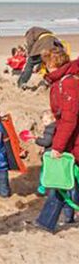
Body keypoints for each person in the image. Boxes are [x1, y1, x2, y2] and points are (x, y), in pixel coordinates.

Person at [35, 48, 79, 232]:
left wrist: (58, 146)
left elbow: (69, 119)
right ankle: (46, 221)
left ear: (54, 65)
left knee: (62, 181)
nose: (46, 69)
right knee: (64, 181)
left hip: (72, 140)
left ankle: (47, 222)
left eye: (47, 64)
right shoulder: (62, 81)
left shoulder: (67, 84)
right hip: (69, 139)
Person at [34, 110, 56, 196]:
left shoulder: (49, 129)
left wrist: (37, 140)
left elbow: (47, 142)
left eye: (46, 121)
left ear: (53, 119)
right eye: (43, 122)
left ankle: (41, 189)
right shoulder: (57, 127)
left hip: (49, 156)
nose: (44, 124)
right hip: (53, 152)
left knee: (45, 172)